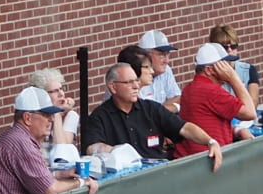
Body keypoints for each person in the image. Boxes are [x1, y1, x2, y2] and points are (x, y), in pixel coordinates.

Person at [0, 87, 96, 194]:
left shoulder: (18, 136)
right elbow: (52, 190)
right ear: (27, 118)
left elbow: (34, 178)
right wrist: (82, 182)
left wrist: (60, 174)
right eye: (45, 115)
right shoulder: (21, 142)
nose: (51, 119)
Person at [83, 60, 225, 165]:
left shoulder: (151, 109)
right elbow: (92, 148)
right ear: (113, 87)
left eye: (136, 81)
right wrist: (120, 153)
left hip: (157, 174)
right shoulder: (99, 117)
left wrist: (210, 141)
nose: (135, 86)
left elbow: (185, 128)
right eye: (128, 82)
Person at [171, 44, 247, 161]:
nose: (229, 67)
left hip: (191, 159)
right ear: (209, 70)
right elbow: (250, 113)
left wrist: (237, 130)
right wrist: (234, 78)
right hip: (208, 159)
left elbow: (209, 123)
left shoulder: (189, 88)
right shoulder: (211, 90)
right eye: (223, 64)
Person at [136, 30, 184, 104]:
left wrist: (159, 112)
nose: (167, 61)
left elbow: (178, 99)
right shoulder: (134, 76)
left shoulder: (166, 69)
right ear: (146, 55)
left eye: (168, 54)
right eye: (161, 55)